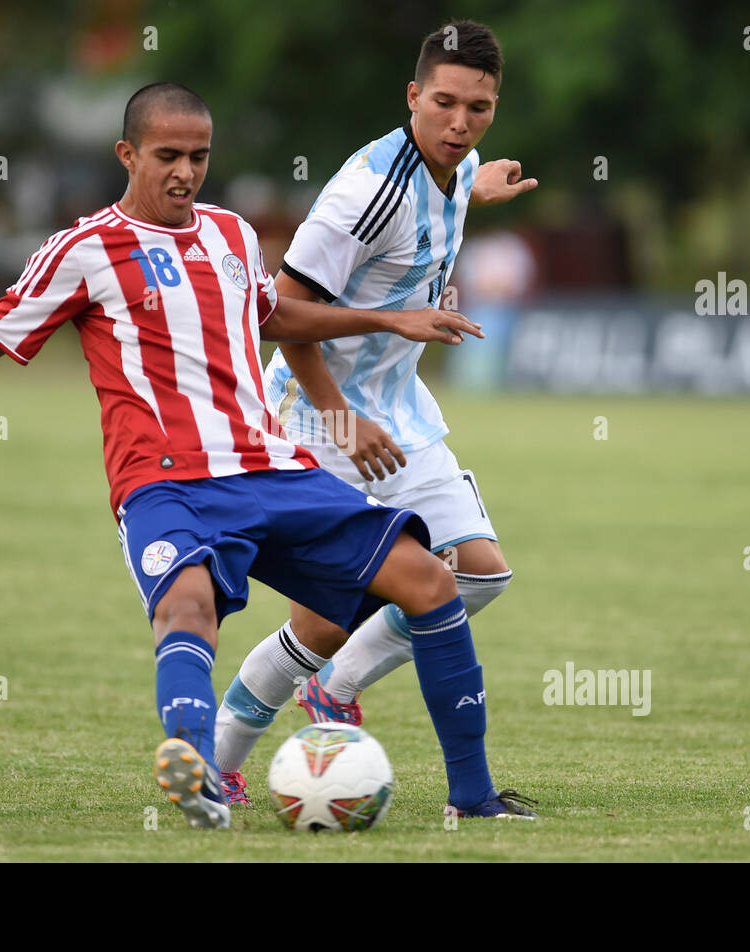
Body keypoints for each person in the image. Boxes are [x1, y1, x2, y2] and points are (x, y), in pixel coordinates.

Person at [0, 82, 528, 828]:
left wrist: (385, 318)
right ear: (128, 154)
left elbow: (275, 314)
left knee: (433, 583)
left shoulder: (232, 235)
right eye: (168, 155)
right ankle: (195, 765)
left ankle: (473, 796)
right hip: (167, 484)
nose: (185, 171)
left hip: (271, 468)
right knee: (188, 605)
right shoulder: (82, 249)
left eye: (199, 156)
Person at [214, 21, 539, 819]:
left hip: (401, 413)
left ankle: (336, 693)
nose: (461, 123)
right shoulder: (364, 192)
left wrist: (478, 186)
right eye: (444, 104)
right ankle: (211, 763)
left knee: (482, 570)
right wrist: (338, 418)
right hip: (319, 421)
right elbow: (282, 314)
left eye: (480, 107)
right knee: (323, 620)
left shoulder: (451, 165)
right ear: (411, 97)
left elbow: (444, 195)